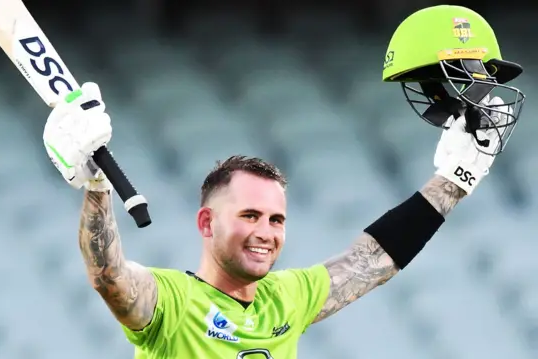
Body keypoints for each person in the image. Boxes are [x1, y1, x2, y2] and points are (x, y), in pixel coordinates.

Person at [41, 5, 524, 359]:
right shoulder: (172, 303)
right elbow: (111, 278)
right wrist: (98, 188)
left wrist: (454, 181)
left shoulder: (285, 299)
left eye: (276, 219)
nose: (266, 231)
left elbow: (373, 259)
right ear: (206, 222)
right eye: (249, 215)